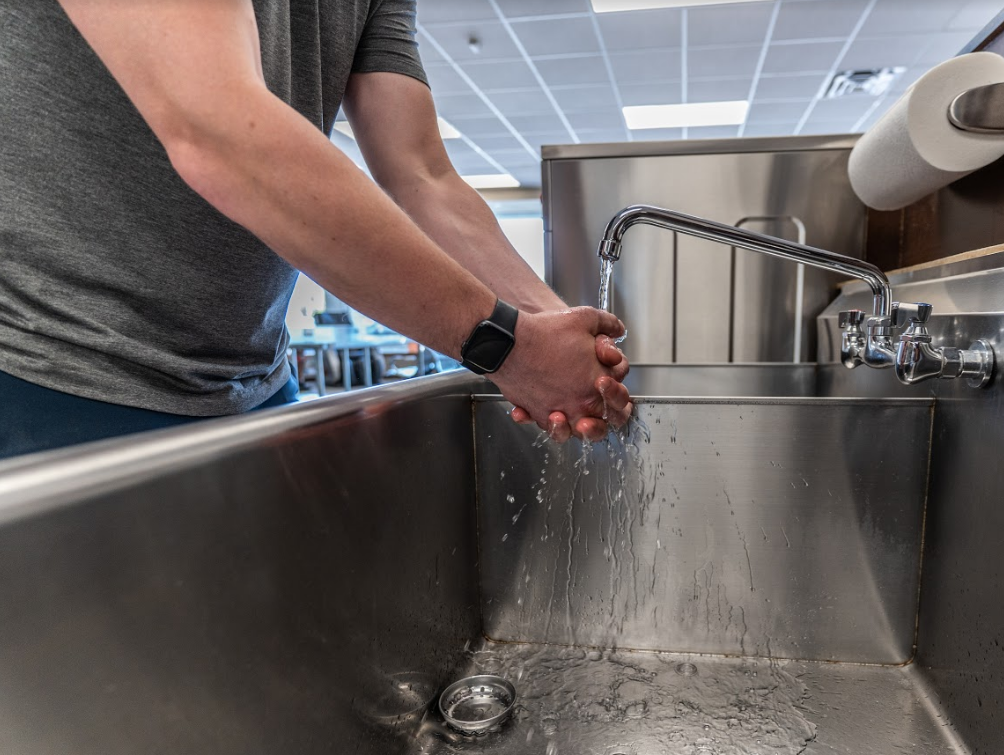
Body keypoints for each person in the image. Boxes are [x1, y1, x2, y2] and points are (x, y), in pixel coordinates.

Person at [0, 0, 632, 459]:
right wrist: (505, 345)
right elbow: (217, 132)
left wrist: (568, 351)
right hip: (50, 370)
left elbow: (422, 177)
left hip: (248, 384)